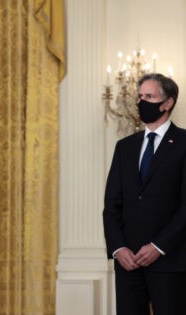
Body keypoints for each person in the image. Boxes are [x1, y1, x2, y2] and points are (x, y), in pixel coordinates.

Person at [103, 73, 186, 315]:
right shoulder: (125, 147)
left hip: (170, 262)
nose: (142, 102)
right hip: (128, 264)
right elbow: (112, 205)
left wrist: (159, 246)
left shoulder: (183, 143)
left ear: (167, 102)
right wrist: (119, 249)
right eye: (140, 96)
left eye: (149, 96)